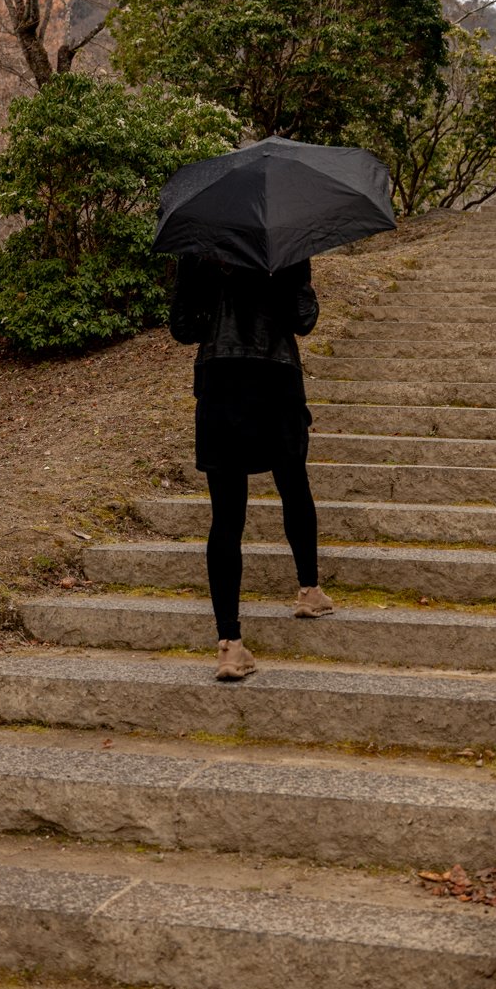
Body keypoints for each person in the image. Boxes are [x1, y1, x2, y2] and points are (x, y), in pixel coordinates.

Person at [169, 254, 334, 681]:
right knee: (293, 485)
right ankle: (309, 590)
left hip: (219, 385)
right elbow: (303, 319)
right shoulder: (283, 242)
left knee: (226, 517)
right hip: (275, 381)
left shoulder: (199, 245)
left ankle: (230, 645)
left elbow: (183, 328)